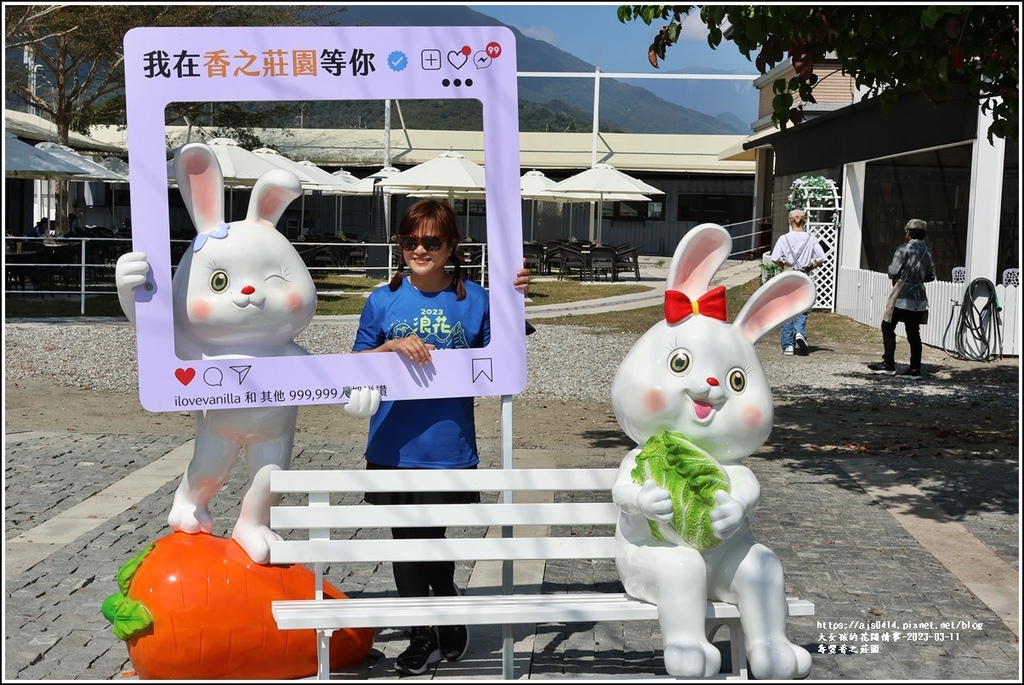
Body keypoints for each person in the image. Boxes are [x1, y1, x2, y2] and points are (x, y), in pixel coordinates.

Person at [351, 198, 529, 676]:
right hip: (392, 446)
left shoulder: (478, 300)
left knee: (433, 539)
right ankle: (421, 633)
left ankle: (445, 604)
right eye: (410, 241)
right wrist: (388, 346)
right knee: (405, 541)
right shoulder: (381, 299)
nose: (420, 249)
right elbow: (355, 363)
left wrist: (516, 299)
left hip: (448, 446)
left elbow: (509, 356)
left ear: (452, 245)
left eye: (431, 241)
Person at [868, 218, 936, 379]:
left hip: (902, 294)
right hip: (919, 297)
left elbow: (893, 271)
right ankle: (914, 369)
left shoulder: (903, 249)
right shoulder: (928, 251)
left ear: (909, 232)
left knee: (888, 326)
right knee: (913, 332)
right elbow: (931, 276)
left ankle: (888, 364)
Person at [770, 208, 826, 355]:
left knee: (786, 308)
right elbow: (822, 258)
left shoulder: (784, 239)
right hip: (803, 276)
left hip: (788, 275)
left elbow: (775, 258)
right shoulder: (811, 239)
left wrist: (785, 266)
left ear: (790, 221)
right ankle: (799, 332)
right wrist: (810, 267)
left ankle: (788, 345)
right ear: (805, 221)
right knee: (801, 306)